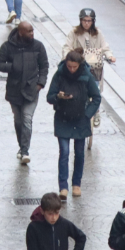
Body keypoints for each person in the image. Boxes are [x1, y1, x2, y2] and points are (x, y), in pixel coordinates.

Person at [0, 21, 49, 165]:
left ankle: (25, 151)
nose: (32, 34)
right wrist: (12, 67)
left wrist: (40, 83)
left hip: (32, 90)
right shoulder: (8, 46)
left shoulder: (38, 46)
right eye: (29, 31)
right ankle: (21, 146)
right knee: (18, 121)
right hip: (14, 90)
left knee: (26, 119)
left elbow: (44, 66)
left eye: (32, 31)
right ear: (21, 32)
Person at [48, 50, 101, 199]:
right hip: (63, 118)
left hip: (80, 119)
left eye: (74, 67)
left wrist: (87, 114)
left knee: (79, 153)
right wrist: (58, 97)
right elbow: (49, 96)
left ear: (79, 65)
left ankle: (76, 184)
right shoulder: (59, 75)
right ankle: (63, 186)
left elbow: (96, 97)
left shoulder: (86, 76)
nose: (71, 69)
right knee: (64, 152)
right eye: (69, 66)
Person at [62, 7, 116, 136]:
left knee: (95, 89)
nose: (87, 23)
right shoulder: (74, 33)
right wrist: (67, 57)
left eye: (89, 21)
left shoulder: (98, 33)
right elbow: (67, 47)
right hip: (79, 67)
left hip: (94, 68)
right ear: (81, 21)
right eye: (84, 20)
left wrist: (109, 56)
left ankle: (95, 112)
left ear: (93, 21)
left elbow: (105, 47)